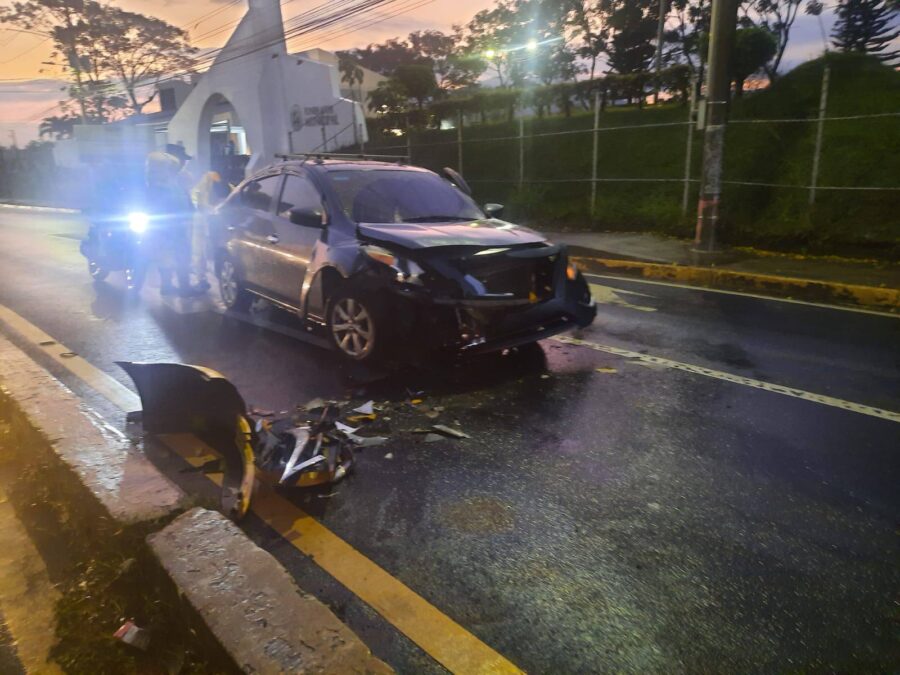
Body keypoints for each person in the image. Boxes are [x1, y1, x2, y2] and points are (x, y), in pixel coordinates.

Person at [143, 151, 203, 297]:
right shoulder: (156, 188)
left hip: (177, 226)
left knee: (179, 255)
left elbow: (186, 201)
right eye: (170, 167)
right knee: (171, 256)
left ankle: (176, 286)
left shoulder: (172, 184)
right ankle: (178, 287)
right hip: (167, 228)